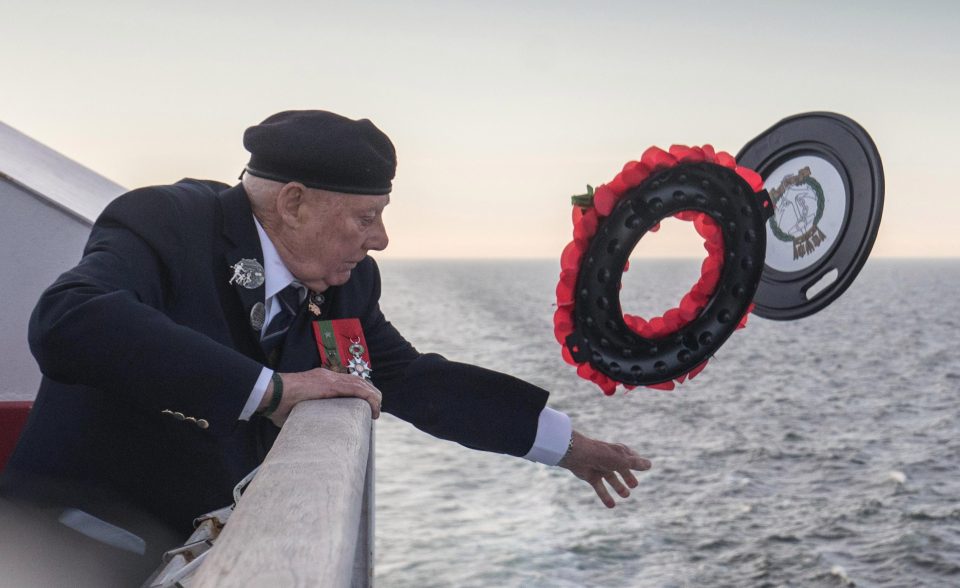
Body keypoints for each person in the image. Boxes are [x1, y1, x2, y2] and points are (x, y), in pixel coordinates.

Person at [1, 110, 650, 573]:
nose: (381, 241)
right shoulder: (167, 224)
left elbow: (407, 378)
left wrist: (568, 447)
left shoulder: (345, 282)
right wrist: (271, 391)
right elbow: (70, 321)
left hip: (205, 551)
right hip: (66, 540)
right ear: (293, 204)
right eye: (366, 218)